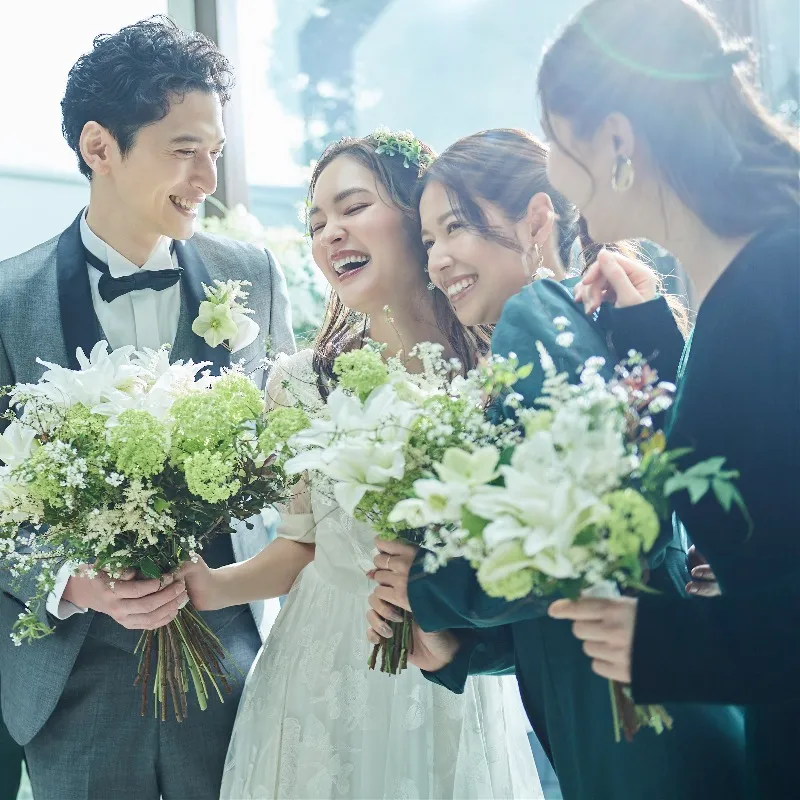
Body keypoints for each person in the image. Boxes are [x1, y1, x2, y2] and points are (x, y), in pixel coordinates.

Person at [366, 128, 746, 799]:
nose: (439, 259)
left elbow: (582, 542)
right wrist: (458, 649)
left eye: (456, 227)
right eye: (428, 242)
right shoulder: (602, 326)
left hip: (634, 729)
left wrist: (427, 583)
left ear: (537, 220)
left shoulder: (537, 314)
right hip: (635, 707)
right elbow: (577, 589)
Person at [179, 131, 542, 799]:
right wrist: (207, 586)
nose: (330, 234)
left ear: (417, 216)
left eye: (352, 208)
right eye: (317, 222)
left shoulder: (496, 368)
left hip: (446, 668)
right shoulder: (299, 381)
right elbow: (299, 547)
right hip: (321, 672)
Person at [0, 17, 293, 800]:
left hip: (231, 674)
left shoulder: (255, 277)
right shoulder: (6, 302)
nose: (208, 178)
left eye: (216, 152)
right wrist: (73, 581)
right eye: (184, 150)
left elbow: (291, 459)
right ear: (100, 147)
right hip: (73, 691)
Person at [528, 0, 800, 796]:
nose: (551, 170)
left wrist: (670, 644)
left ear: (617, 140)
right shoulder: (748, 274)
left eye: (555, 138)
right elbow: (762, 465)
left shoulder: (777, 279)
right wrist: (652, 336)